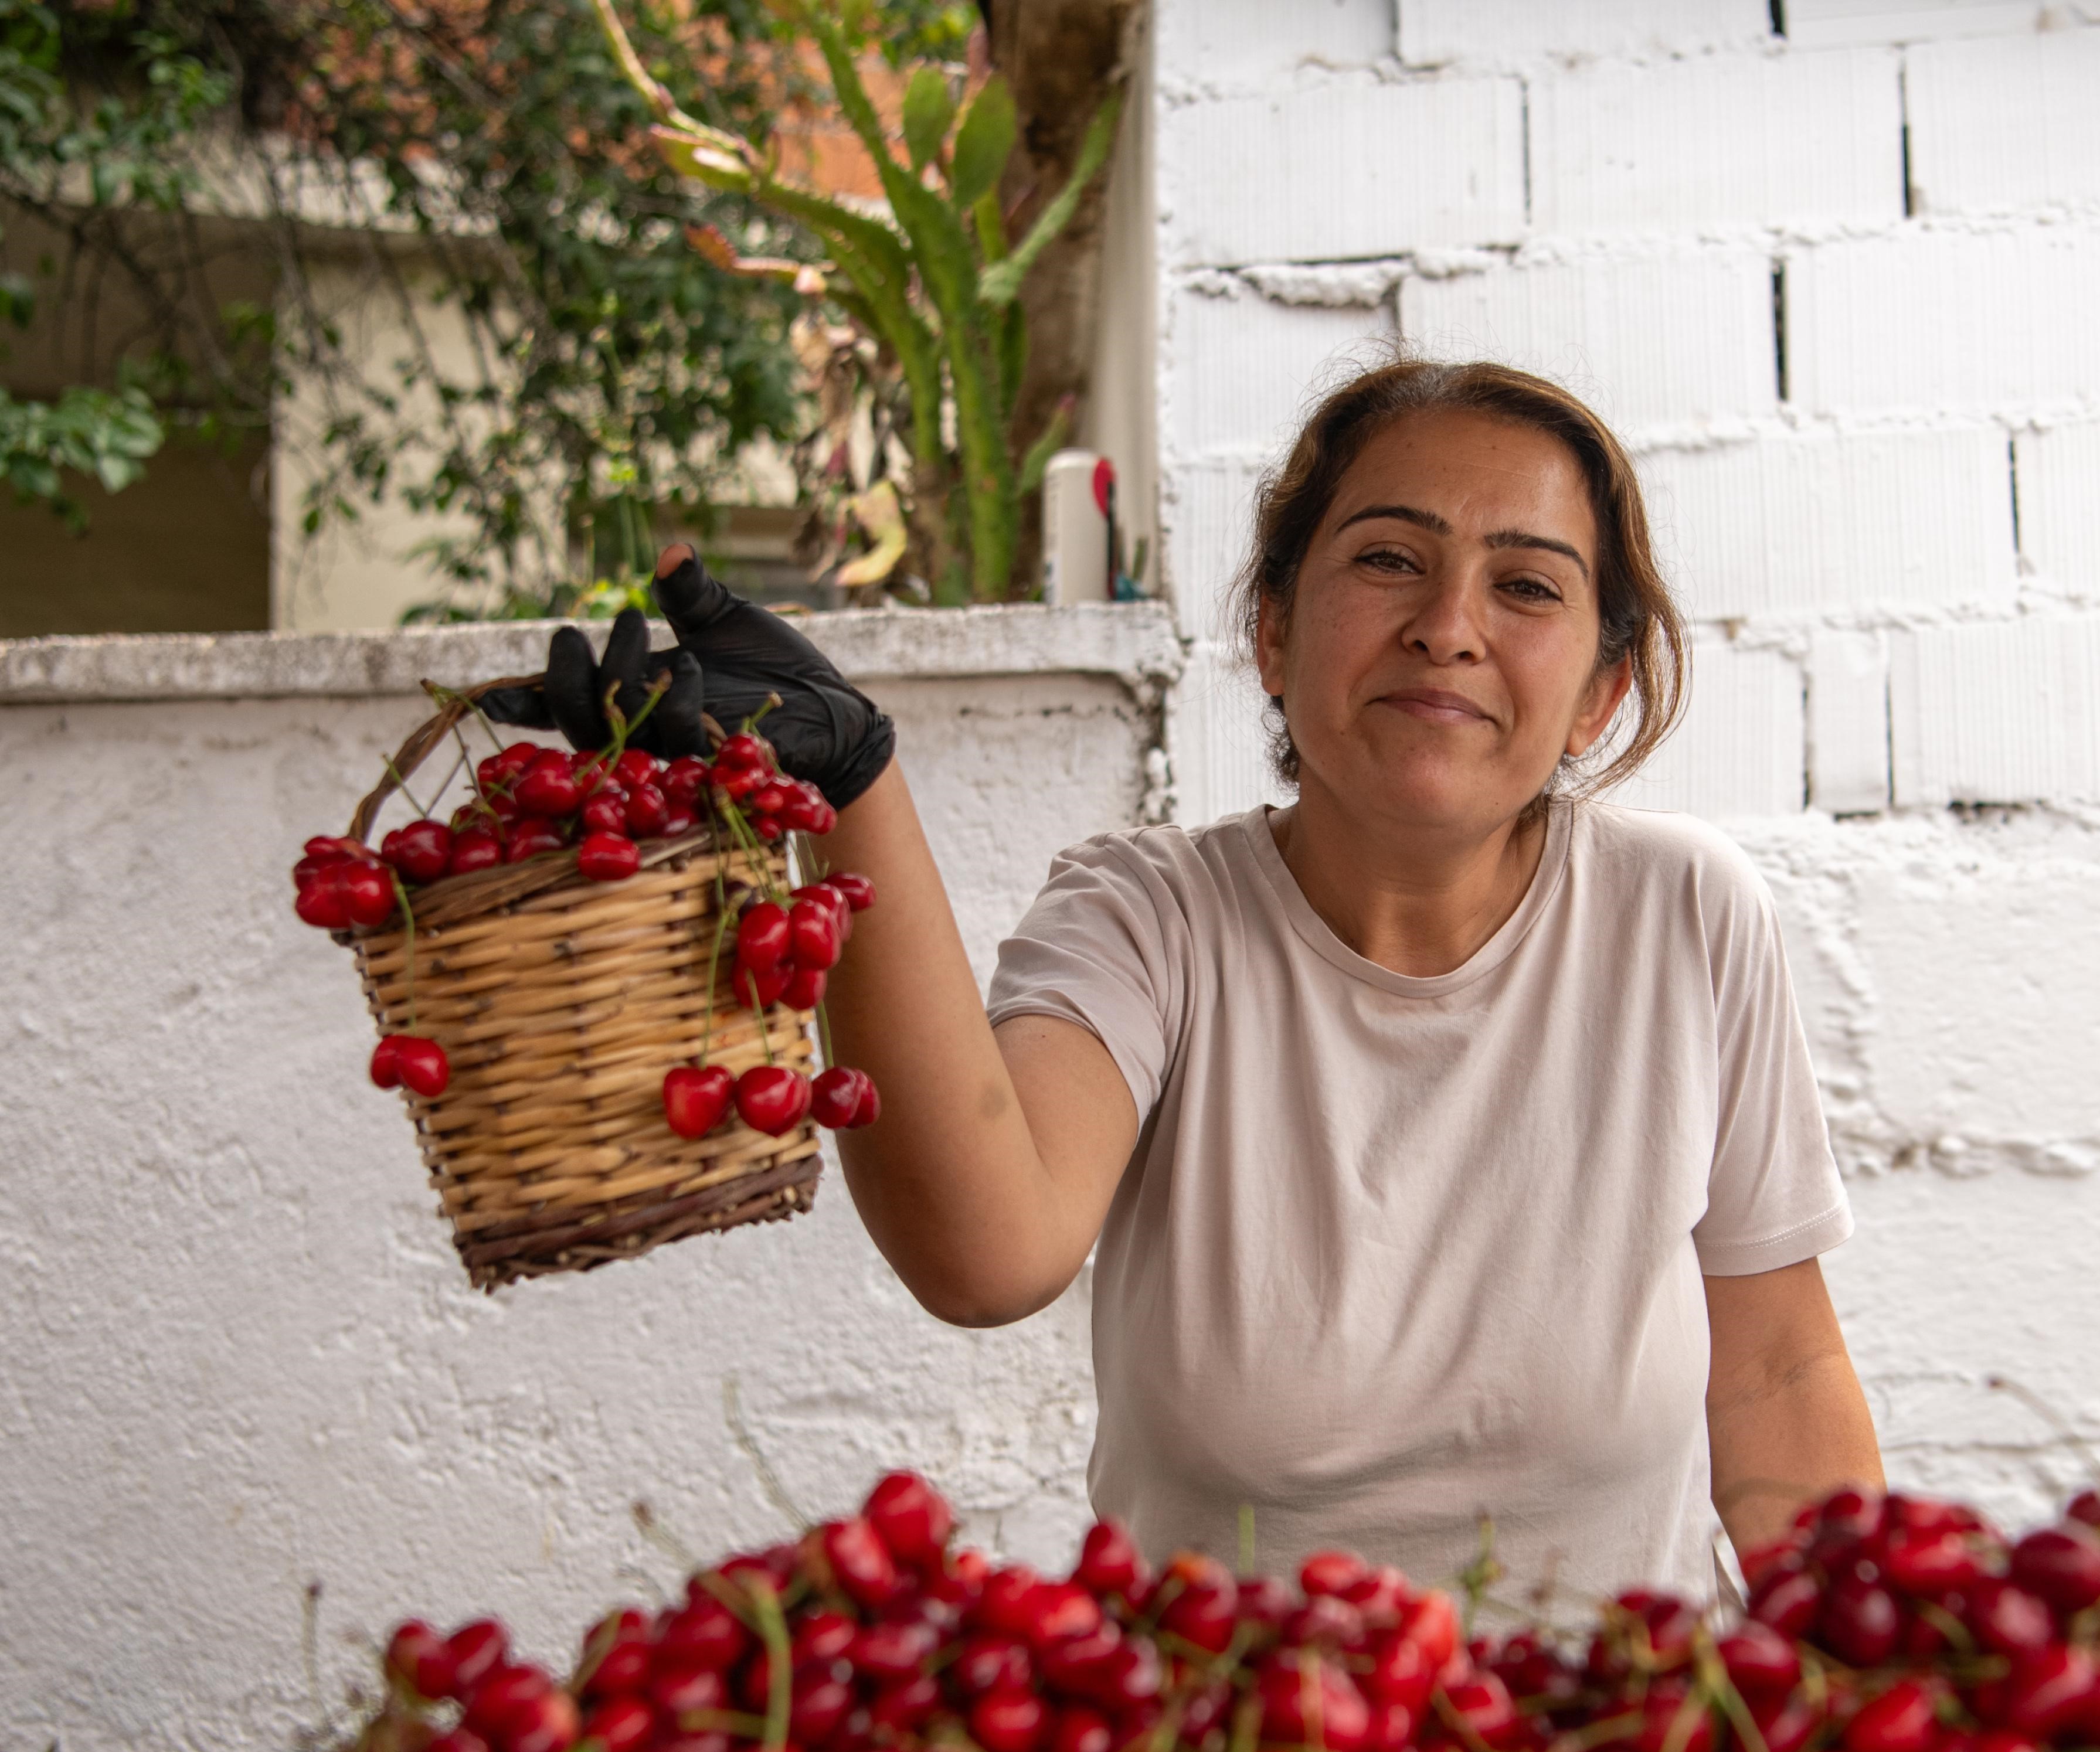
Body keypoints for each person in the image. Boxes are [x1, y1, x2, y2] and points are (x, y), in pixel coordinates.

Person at [582, 359, 1883, 1604]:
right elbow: (986, 1253)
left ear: (1600, 693)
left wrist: (1867, 1706)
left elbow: (1776, 1374)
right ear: (1271, 630)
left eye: (1528, 586)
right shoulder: (1149, 923)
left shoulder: (1686, 916)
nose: (1448, 628)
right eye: (1388, 559)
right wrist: (851, 790)